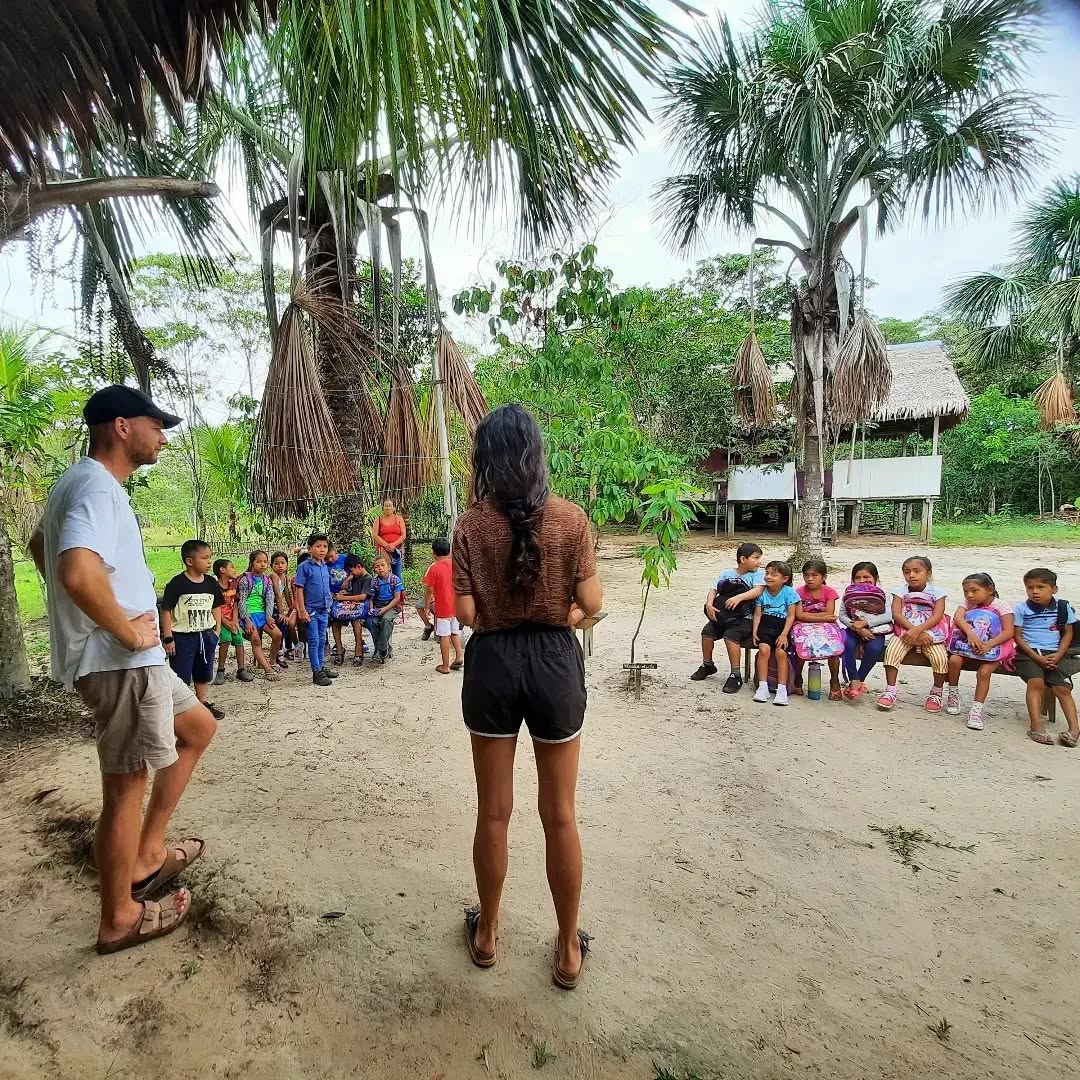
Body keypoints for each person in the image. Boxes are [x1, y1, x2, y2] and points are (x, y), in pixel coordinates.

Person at [28, 384, 215, 954]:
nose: (162, 434)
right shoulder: (95, 486)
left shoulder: (79, 485)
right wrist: (124, 627)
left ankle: (147, 853)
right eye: (153, 423)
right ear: (120, 427)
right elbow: (76, 574)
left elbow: (40, 546)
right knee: (126, 787)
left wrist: (98, 619)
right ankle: (119, 917)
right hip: (121, 661)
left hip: (136, 662)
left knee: (199, 727)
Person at [453, 404, 602, 990]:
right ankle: (567, 949)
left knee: (494, 811)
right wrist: (562, 610)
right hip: (554, 663)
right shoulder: (572, 520)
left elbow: (465, 612)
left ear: (486, 457)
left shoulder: (469, 525)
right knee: (560, 814)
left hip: (492, 663)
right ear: (536, 453)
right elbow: (590, 601)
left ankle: (487, 934)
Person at [1013, 567, 1080, 747]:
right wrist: (1036, 657)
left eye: (1041, 587)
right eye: (1030, 587)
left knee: (1062, 689)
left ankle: (1074, 730)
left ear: (1053, 589)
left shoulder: (1063, 607)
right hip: (1028, 653)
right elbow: (1017, 636)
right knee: (1036, 683)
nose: (1035, 591)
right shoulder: (1021, 608)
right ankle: (1036, 726)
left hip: (1055, 653)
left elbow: (1068, 633)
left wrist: (1058, 654)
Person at [160, 540, 226, 721]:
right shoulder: (177, 583)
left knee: (203, 671)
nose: (209, 562)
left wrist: (216, 631)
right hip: (182, 637)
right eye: (204, 558)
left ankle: (202, 704)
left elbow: (216, 607)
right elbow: (166, 610)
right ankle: (181, 709)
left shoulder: (211, 583)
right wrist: (168, 638)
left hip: (206, 635)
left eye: (210, 557)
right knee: (181, 674)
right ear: (190, 561)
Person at [945, 573, 1016, 731]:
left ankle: (976, 710)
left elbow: (1008, 631)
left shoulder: (1001, 606)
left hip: (994, 647)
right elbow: (958, 617)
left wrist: (988, 644)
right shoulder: (968, 603)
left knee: (984, 672)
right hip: (967, 645)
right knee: (954, 661)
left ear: (989, 590)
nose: (969, 595)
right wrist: (970, 634)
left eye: (974, 591)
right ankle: (953, 695)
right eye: (965, 591)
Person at [691, 542, 765, 692]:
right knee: (707, 632)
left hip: (746, 617)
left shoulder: (757, 575)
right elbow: (713, 590)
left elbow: (758, 590)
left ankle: (735, 674)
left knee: (730, 636)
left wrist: (739, 598)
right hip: (725, 615)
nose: (759, 562)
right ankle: (708, 665)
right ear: (743, 559)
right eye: (756, 558)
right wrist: (709, 605)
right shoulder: (726, 573)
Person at [879, 556, 950, 712]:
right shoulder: (899, 592)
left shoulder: (938, 593)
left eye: (917, 571)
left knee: (940, 658)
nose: (911, 575)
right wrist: (912, 630)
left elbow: (937, 616)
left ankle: (936, 692)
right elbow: (897, 614)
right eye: (907, 572)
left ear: (928, 573)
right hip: (905, 630)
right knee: (891, 652)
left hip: (931, 632)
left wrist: (919, 631)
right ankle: (890, 690)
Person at [791, 558, 844, 699]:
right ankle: (797, 676)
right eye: (806, 575)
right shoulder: (799, 592)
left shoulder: (829, 592)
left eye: (814, 575)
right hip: (803, 626)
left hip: (826, 627)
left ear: (824, 577)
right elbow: (799, 615)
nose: (809, 579)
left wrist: (807, 616)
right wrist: (820, 617)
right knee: (801, 646)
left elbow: (829, 614)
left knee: (834, 648)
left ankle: (834, 679)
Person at [837, 562, 890, 700]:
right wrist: (856, 627)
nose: (862, 581)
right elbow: (842, 615)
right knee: (847, 644)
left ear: (875, 578)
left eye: (866, 577)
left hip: (875, 631)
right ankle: (854, 680)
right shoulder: (849, 594)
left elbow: (888, 615)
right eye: (857, 577)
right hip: (853, 628)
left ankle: (858, 680)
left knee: (874, 648)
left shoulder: (883, 595)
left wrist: (866, 623)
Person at [751, 560, 799, 705]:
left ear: (785, 579)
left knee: (781, 653)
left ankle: (782, 689)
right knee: (763, 650)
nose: (768, 577)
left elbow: (791, 616)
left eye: (774, 574)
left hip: (782, 628)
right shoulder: (762, 592)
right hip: (765, 626)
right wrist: (754, 631)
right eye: (767, 573)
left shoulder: (789, 592)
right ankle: (762, 686)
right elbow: (758, 614)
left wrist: (784, 634)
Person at [293, 532, 338, 686]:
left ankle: (321, 667)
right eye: (318, 546)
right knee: (313, 641)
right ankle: (316, 672)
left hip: (324, 609)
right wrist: (301, 610)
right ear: (309, 549)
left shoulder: (325, 566)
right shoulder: (304, 567)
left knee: (322, 640)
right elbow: (299, 589)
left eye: (325, 546)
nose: (322, 550)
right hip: (310, 610)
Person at [237, 550, 283, 679]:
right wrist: (246, 620)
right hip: (248, 615)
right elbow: (241, 600)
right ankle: (267, 670)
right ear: (252, 563)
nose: (262, 564)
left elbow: (269, 599)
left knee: (277, 634)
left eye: (265, 562)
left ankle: (272, 662)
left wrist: (269, 616)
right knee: (256, 641)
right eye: (259, 562)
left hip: (262, 614)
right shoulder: (245, 580)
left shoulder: (267, 581)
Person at [423, 538, 463, 674]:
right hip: (456, 605)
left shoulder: (434, 568)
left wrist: (427, 606)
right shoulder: (456, 565)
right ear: (449, 551)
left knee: (444, 635)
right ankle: (459, 656)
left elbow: (429, 590)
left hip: (443, 607)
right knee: (455, 632)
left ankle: (445, 666)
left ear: (433, 553)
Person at [212, 558, 250, 684]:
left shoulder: (233, 585)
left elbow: (234, 604)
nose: (234, 569)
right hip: (219, 620)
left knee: (239, 640)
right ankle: (220, 670)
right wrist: (225, 622)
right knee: (226, 639)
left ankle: (241, 669)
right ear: (222, 570)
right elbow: (215, 607)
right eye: (232, 567)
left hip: (232, 619)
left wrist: (235, 620)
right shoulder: (215, 587)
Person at [331, 554, 373, 666]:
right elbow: (355, 593)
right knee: (335, 620)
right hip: (351, 606)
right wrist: (346, 593)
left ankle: (358, 648)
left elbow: (362, 597)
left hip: (361, 609)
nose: (351, 574)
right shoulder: (355, 577)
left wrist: (344, 598)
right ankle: (339, 649)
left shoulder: (368, 578)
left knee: (356, 621)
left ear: (359, 566)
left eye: (351, 571)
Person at [369, 554, 404, 662]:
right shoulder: (374, 582)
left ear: (388, 567)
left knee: (386, 620)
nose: (380, 568)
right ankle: (381, 649)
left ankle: (382, 649)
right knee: (372, 622)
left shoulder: (394, 579)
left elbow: (397, 598)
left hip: (392, 605)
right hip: (378, 605)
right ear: (374, 570)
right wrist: (371, 609)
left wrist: (385, 609)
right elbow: (371, 598)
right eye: (377, 567)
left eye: (382, 565)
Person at [270, 551, 300, 661]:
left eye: (283, 563)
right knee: (283, 622)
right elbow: (278, 595)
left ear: (287, 564)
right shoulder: (273, 576)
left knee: (288, 621)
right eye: (276, 564)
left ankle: (289, 648)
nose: (280, 566)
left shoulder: (284, 577)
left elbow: (286, 593)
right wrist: (282, 613)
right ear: (271, 566)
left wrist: (291, 607)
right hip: (269, 607)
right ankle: (279, 650)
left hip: (277, 607)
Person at [372, 498, 406, 581]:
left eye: (390, 506)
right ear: (383, 508)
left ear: (393, 508)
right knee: (385, 573)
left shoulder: (399, 519)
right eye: (386, 506)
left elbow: (403, 535)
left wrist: (393, 545)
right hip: (383, 549)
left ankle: (398, 592)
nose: (388, 508)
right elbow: (375, 535)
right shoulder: (378, 520)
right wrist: (386, 545)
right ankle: (386, 592)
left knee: (397, 573)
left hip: (396, 549)